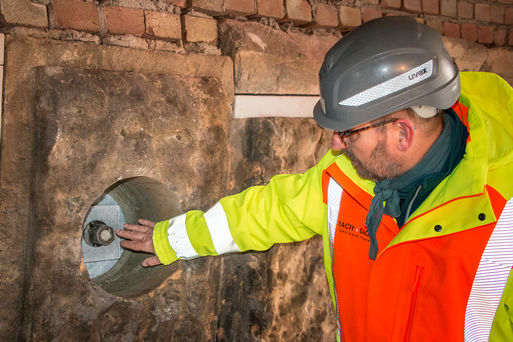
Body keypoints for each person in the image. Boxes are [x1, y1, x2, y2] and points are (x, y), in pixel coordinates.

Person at [116, 16, 513, 341]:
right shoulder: (343, 181)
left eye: (350, 132)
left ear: (401, 134)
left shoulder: (503, 212)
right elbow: (265, 212)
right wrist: (173, 239)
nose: (337, 146)